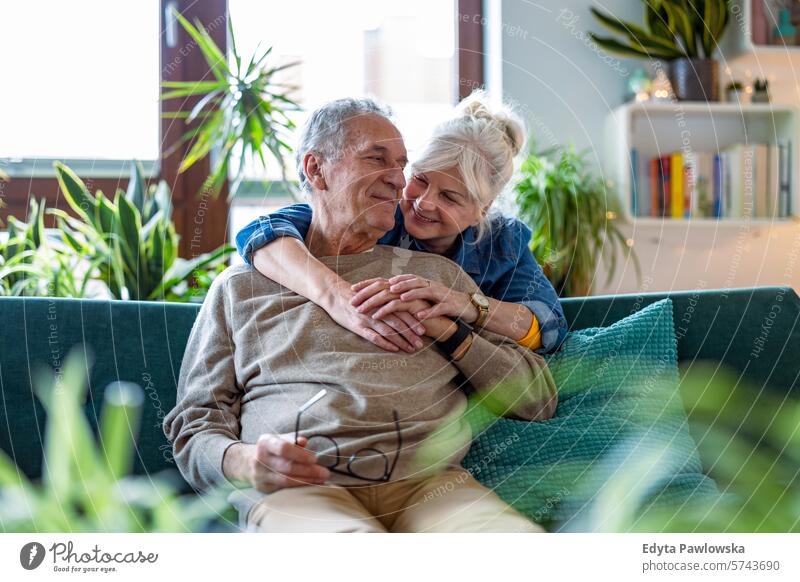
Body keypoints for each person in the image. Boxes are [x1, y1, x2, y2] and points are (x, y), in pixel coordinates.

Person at [163, 98, 557, 533]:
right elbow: (195, 426)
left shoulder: (438, 277)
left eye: (402, 164)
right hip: (302, 490)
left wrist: (452, 332)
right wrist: (247, 461)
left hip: (434, 488)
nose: (399, 180)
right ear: (316, 171)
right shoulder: (242, 287)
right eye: (377, 159)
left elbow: (538, 395)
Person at [235, 91, 567, 359]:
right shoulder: (380, 213)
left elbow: (548, 326)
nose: (424, 202)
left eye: (450, 197)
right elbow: (261, 233)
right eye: (420, 180)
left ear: (482, 209)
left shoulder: (503, 242)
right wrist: (335, 296)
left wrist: (465, 304)